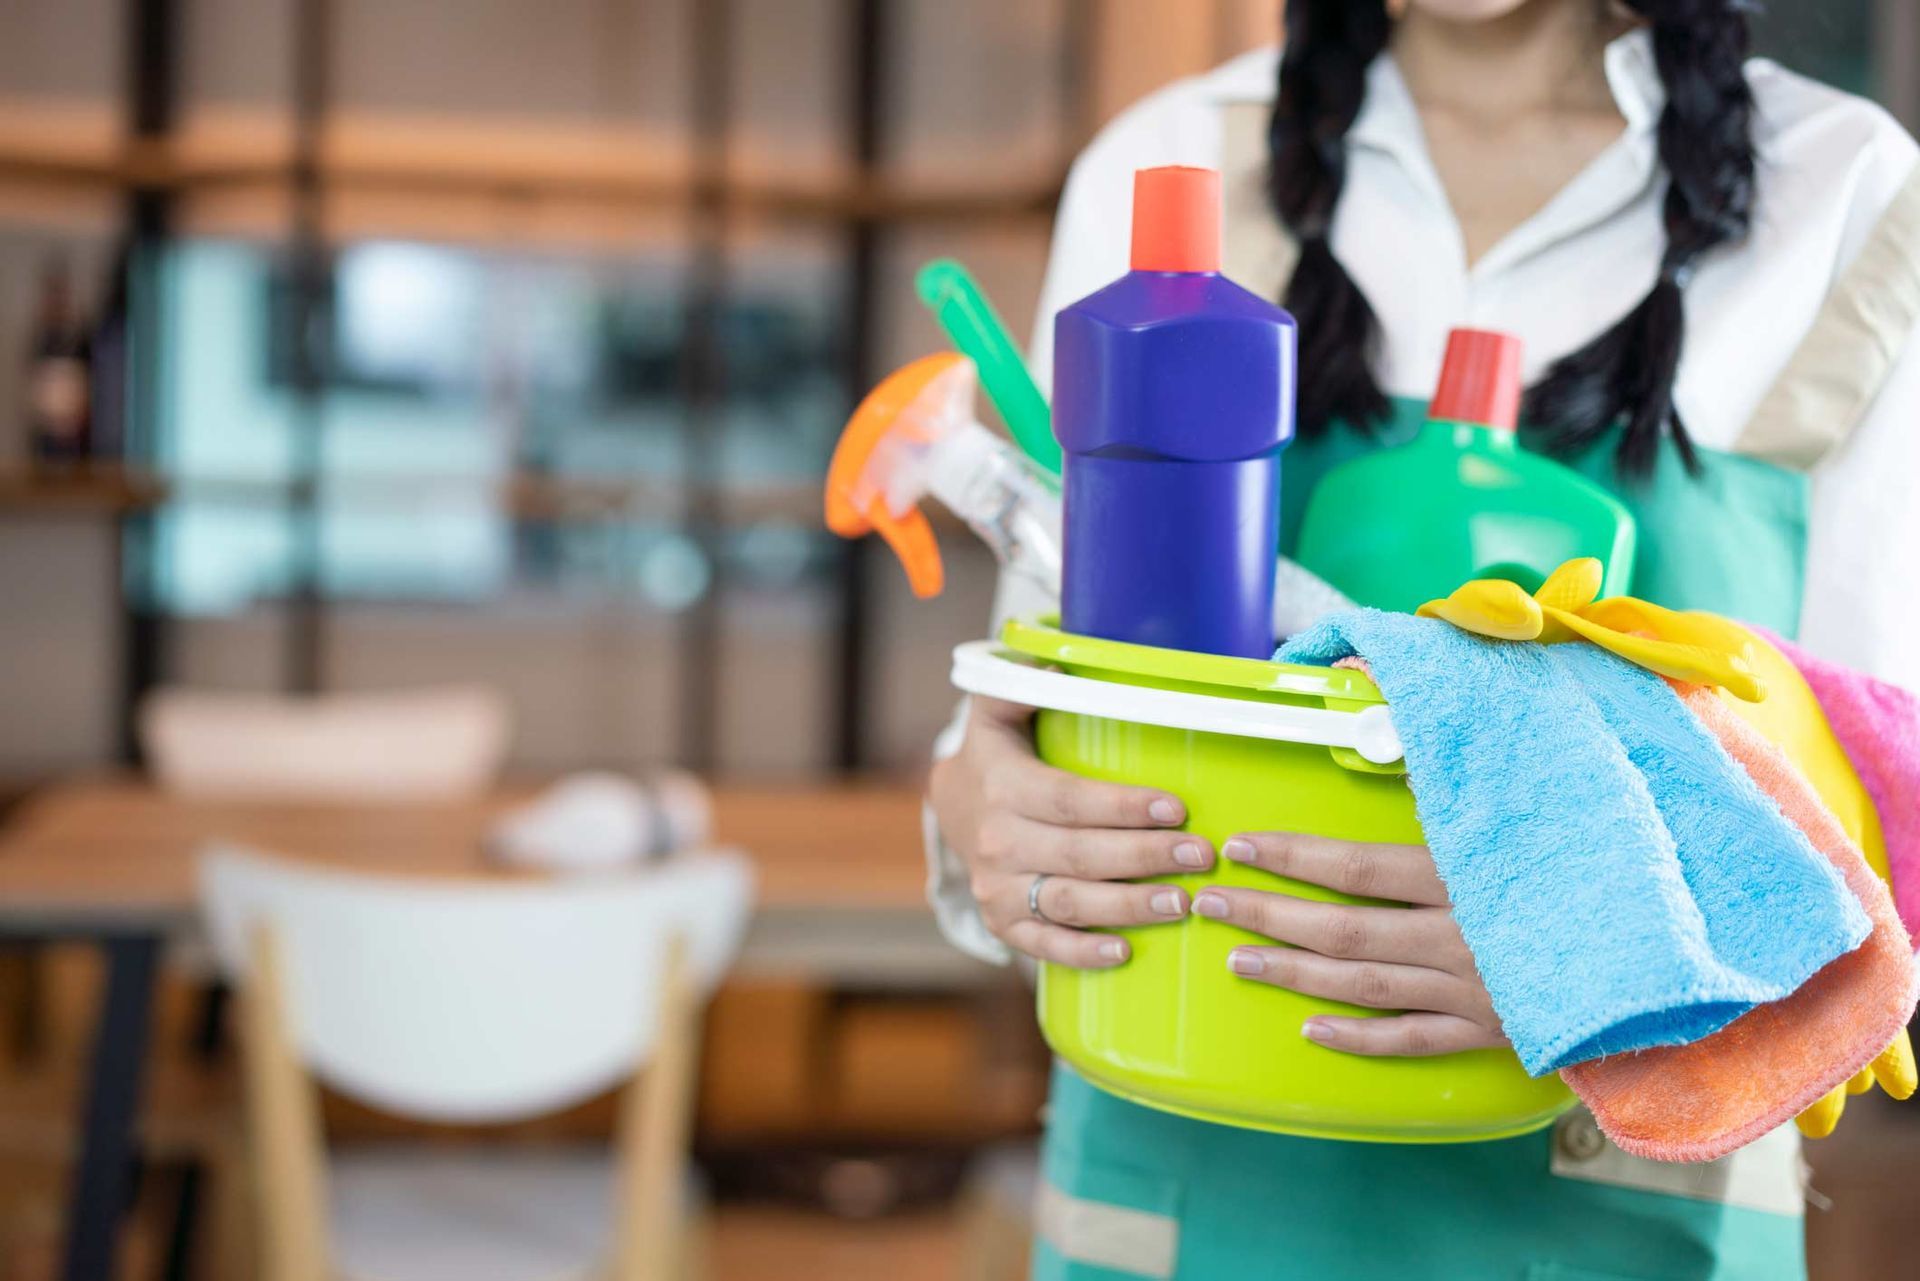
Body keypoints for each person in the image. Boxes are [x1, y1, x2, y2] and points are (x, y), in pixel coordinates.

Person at [925, 1, 1920, 1277]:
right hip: (1180, 1194)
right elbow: (1040, 684)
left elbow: (1882, 798)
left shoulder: (1850, 198)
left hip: (1621, 1221)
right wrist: (983, 808)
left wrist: (1586, 927)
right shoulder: (1164, 158)